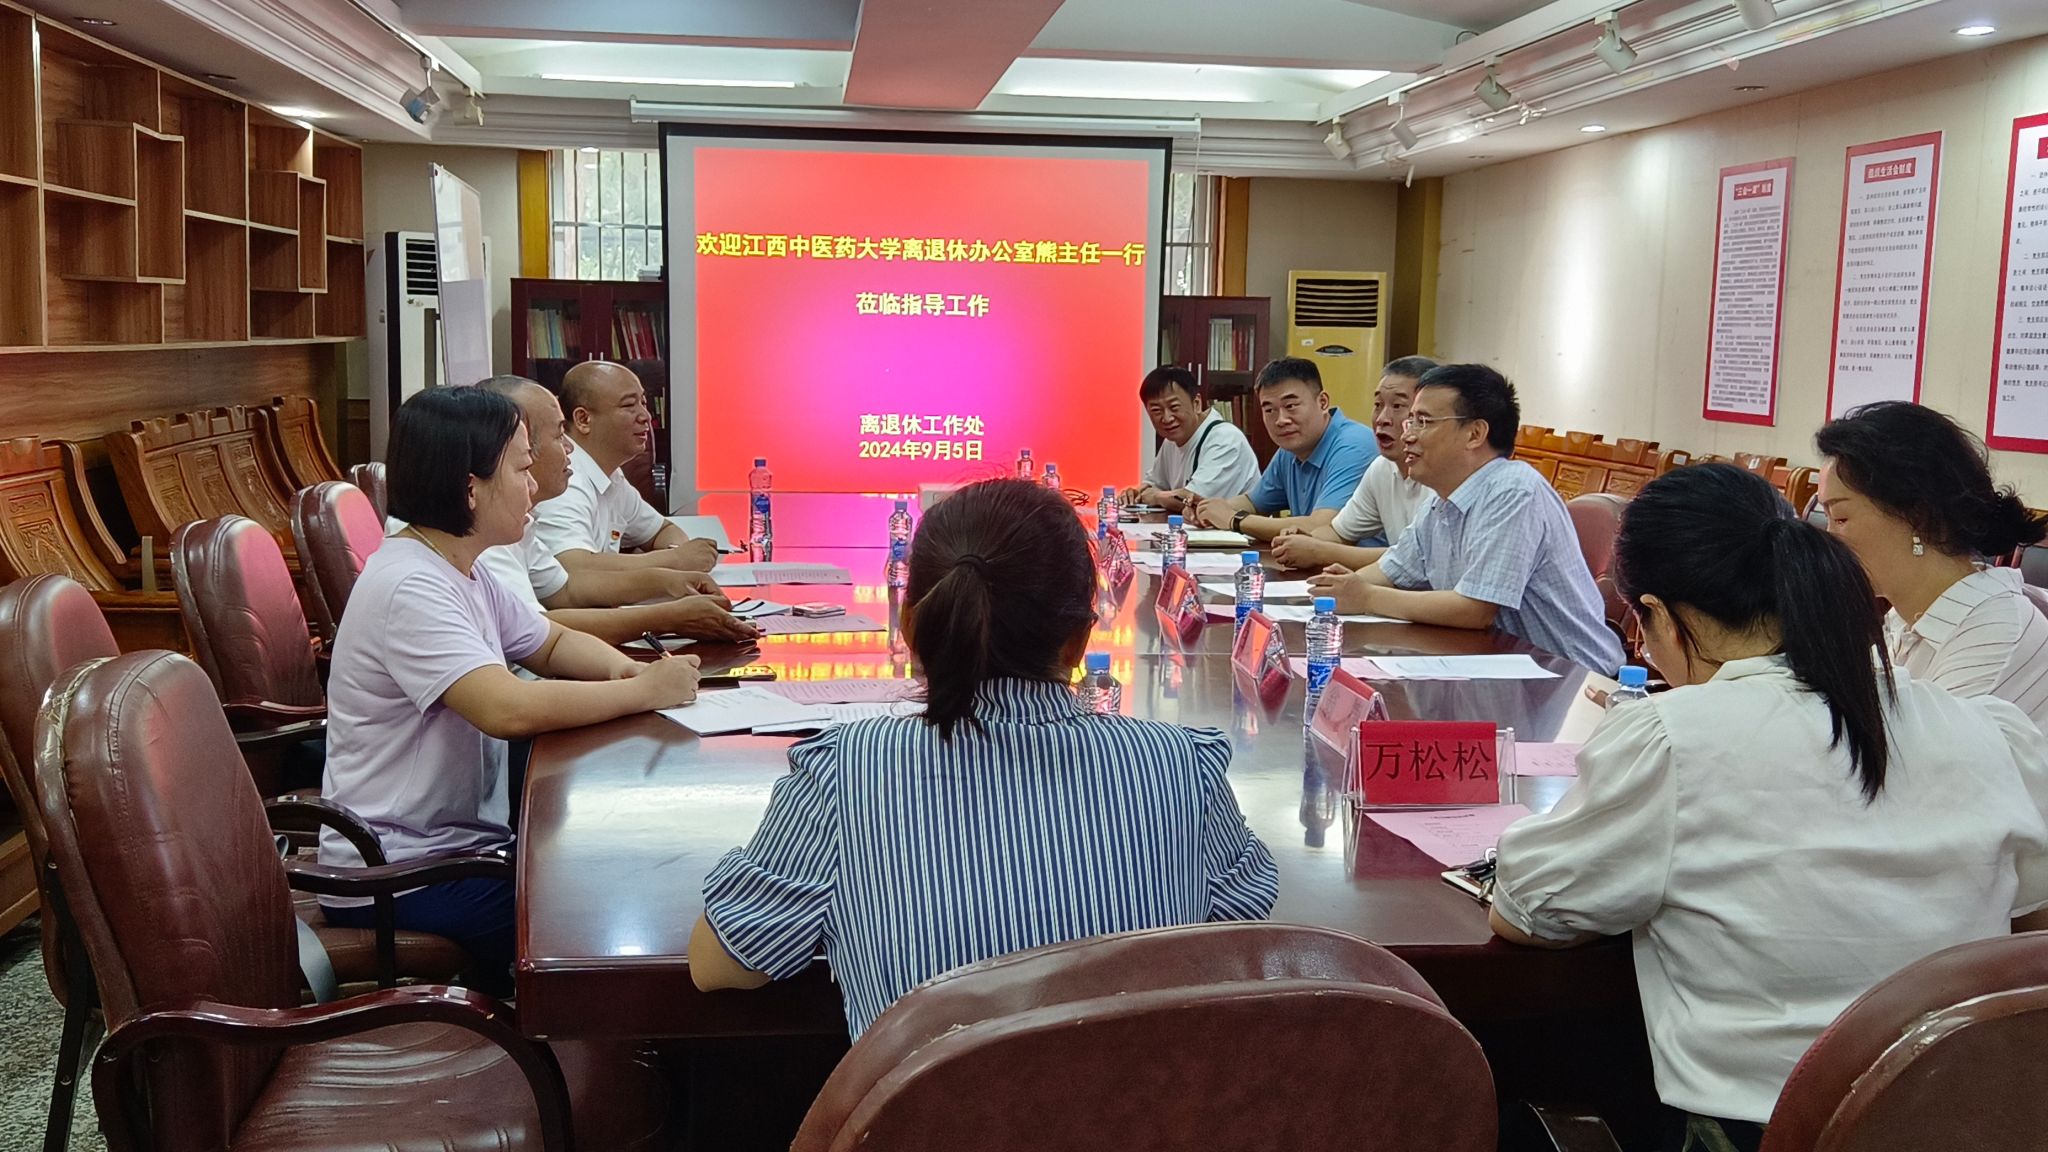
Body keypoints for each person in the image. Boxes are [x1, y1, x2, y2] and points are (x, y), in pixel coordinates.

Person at [1488, 464, 2048, 1150]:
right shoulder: (1982, 726)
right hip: (1966, 1118)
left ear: (1658, 615)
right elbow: (2032, 919)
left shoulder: (1675, 736)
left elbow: (1529, 911)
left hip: (1761, 1128)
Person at [688, 478, 1280, 1037]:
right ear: (1080, 639)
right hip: (1146, 1106)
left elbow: (721, 964)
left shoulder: (848, 771)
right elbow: (1242, 927)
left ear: (911, 626)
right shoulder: (1179, 766)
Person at [320, 387, 703, 996]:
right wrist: (645, 693)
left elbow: (549, 642)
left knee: (601, 872)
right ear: (470, 488)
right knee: (585, 919)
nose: (533, 487)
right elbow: (507, 707)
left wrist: (629, 674)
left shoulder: (459, 566)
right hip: (398, 875)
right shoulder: (411, 585)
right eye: (523, 470)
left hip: (456, 847)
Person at [1307, 364, 1622, 674]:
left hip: (1573, 678)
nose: (1408, 435)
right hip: (1500, 666)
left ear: (1475, 433)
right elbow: (1391, 570)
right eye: (1411, 421)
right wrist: (1333, 590)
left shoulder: (1514, 491)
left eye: (1423, 421)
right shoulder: (1441, 501)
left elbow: (1475, 609)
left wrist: (1366, 597)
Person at [472, 376, 759, 645]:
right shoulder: (485, 531)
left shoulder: (520, 520)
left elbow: (565, 590)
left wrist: (668, 581)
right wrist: (668, 614)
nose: (569, 447)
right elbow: (531, 631)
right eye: (559, 435)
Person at [1814, 401, 2048, 728]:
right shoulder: (1906, 616)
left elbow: (1905, 753)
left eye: (1841, 518)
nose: (1828, 539)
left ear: (1918, 516)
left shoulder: (1994, 632)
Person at [532, 360, 720, 574]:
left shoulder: (611, 475)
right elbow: (572, 567)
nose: (646, 416)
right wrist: (674, 560)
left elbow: (662, 530)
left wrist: (677, 555)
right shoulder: (565, 479)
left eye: (643, 402)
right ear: (583, 419)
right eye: (629, 405)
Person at [1272, 356, 1438, 571]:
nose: (1382, 418)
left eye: (1397, 406)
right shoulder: (1382, 468)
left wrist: (1319, 551)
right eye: (1378, 405)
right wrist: (1305, 539)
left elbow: (1417, 558)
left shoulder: (1442, 477)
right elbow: (1339, 531)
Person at [1190, 358, 1377, 542]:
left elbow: (1322, 526)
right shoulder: (1290, 449)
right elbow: (1254, 503)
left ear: (1322, 402)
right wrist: (1207, 510)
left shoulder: (1354, 446)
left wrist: (1234, 520)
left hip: (1363, 561)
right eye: (1269, 410)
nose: (1281, 420)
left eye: (1291, 406)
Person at [1118, 365, 1259, 514]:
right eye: (1156, 411)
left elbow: (1193, 500)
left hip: (1236, 528)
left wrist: (1155, 497)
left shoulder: (1226, 439)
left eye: (1174, 407)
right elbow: (1153, 485)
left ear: (1196, 403)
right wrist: (1135, 494)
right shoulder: (1171, 440)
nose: (1167, 418)